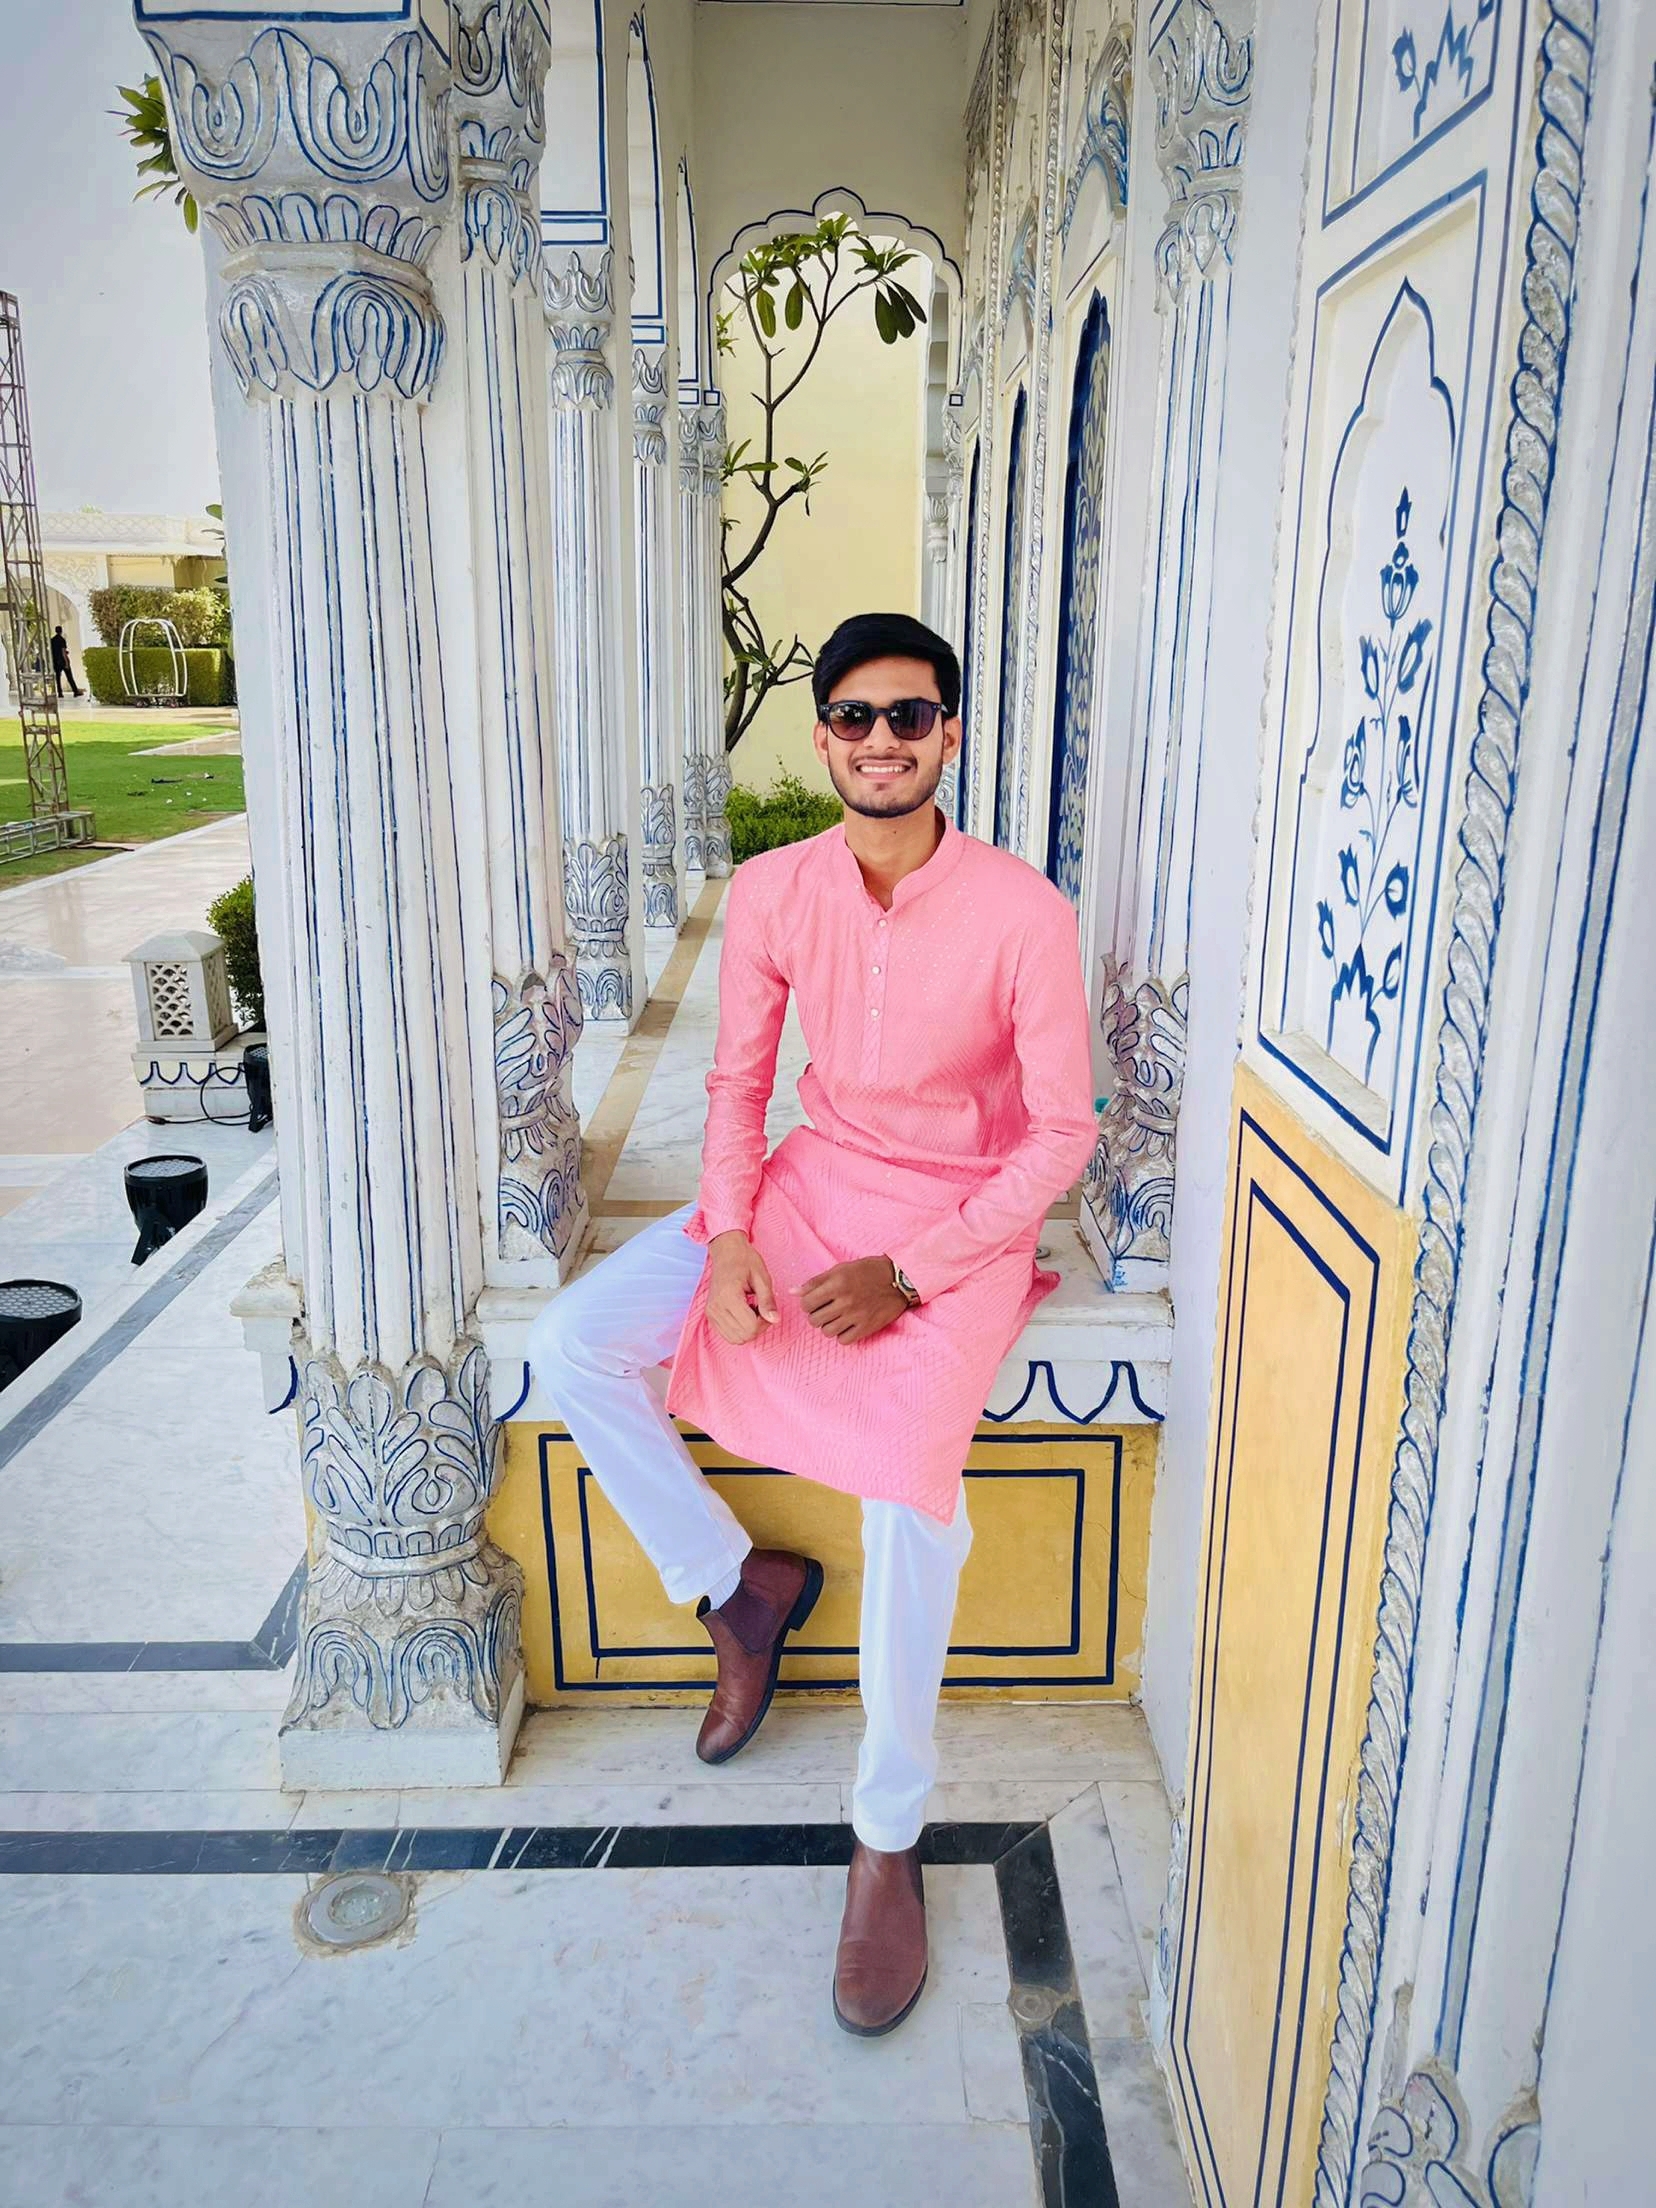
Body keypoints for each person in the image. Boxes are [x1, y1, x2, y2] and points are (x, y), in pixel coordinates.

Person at [527, 610, 1097, 2035]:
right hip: (806, 1186)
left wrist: (913, 1273)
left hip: (959, 1224)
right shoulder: (776, 890)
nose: (881, 740)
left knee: (913, 1490)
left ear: (949, 732)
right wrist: (728, 1233)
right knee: (574, 1343)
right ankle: (737, 1590)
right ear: (825, 734)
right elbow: (737, 1084)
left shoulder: (1024, 911)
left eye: (909, 715)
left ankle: (886, 1835)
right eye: (854, 716)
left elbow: (1062, 1137)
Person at [50, 625, 81, 699]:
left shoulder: (52, 640)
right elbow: (63, 652)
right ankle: (75, 691)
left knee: (58, 678)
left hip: (55, 661)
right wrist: (67, 662)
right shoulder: (62, 640)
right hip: (62, 661)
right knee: (69, 677)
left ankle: (60, 693)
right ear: (61, 631)